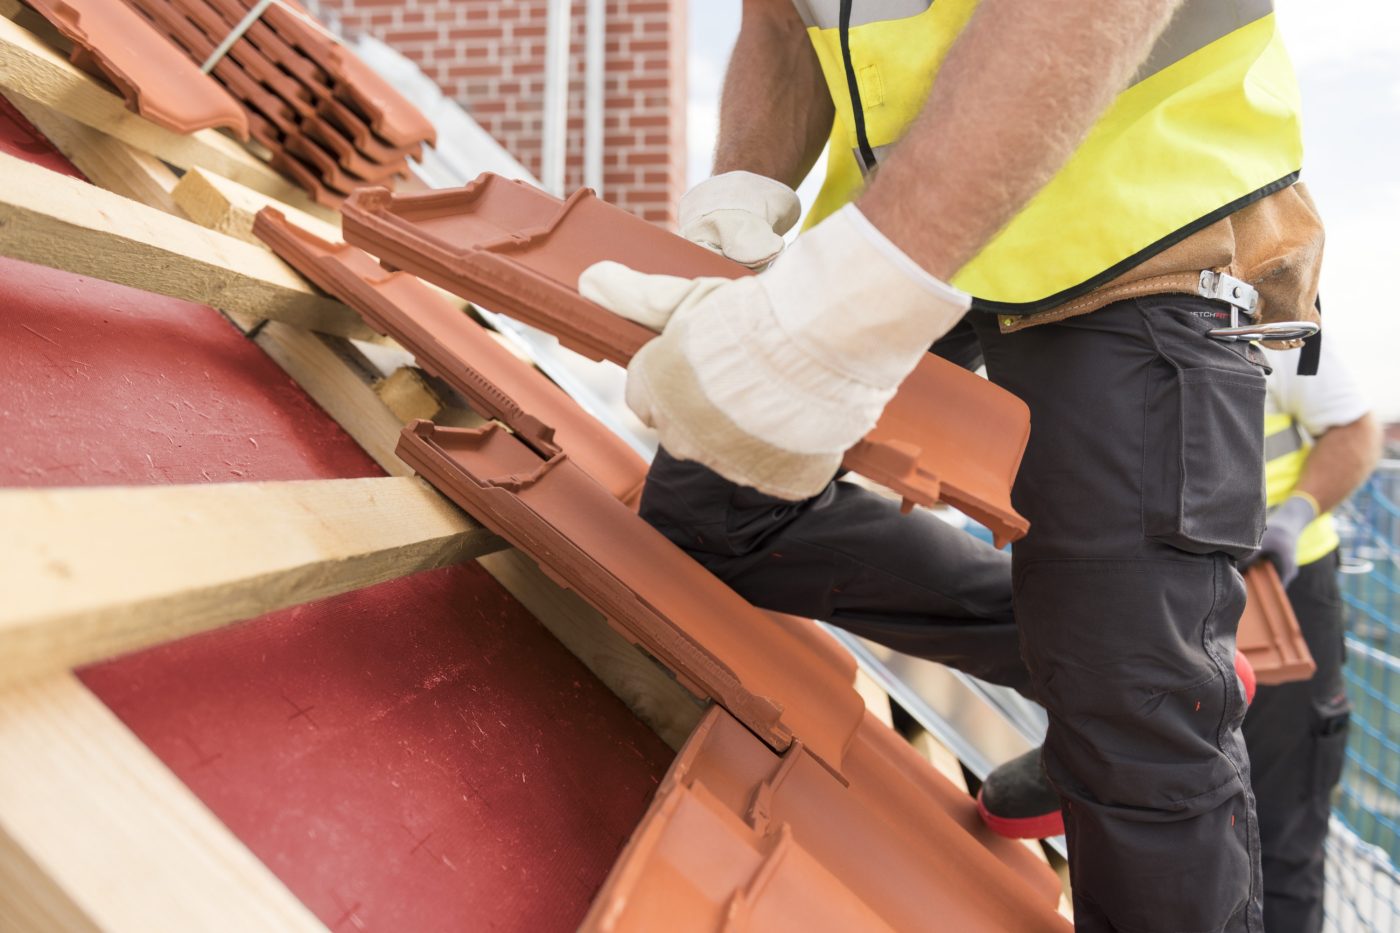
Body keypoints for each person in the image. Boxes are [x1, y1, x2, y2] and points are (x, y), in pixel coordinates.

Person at [580, 1, 1324, 929]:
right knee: (715, 506)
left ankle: (1124, 664)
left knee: (1136, 724)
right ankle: (1095, 653)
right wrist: (739, 195)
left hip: (1131, 223)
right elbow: (781, 21)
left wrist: (862, 289)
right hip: (910, 217)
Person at [980, 339, 1381, 933]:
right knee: (1184, 796)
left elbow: (1356, 431)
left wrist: (1295, 516)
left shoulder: (1269, 321)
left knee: (1280, 823)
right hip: (1156, 588)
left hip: (1281, 591)